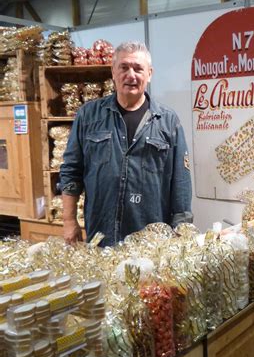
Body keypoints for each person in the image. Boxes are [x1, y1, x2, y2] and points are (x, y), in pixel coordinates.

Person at [60, 41, 193, 247]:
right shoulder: (89, 116)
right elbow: (71, 169)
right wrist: (69, 220)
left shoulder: (168, 121)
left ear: (149, 74)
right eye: (124, 67)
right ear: (113, 72)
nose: (131, 75)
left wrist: (182, 232)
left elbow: (181, 183)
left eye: (138, 69)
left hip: (151, 241)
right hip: (101, 236)